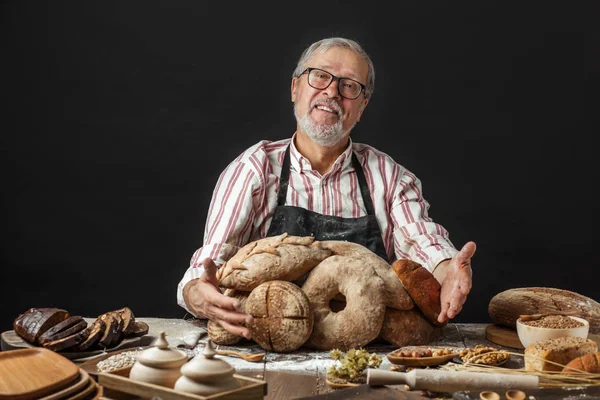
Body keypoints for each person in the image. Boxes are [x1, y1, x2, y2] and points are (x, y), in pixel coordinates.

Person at [177, 37, 476, 340]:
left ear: (361, 107)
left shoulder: (388, 176)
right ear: (295, 88)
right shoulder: (255, 169)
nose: (331, 91)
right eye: (320, 76)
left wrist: (447, 267)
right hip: (267, 351)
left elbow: (420, 241)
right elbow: (210, 265)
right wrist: (197, 292)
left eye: (349, 85)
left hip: (367, 358)